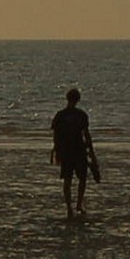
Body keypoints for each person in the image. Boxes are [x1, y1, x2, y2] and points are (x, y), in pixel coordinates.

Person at [50, 88, 95, 219]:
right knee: (82, 179)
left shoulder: (60, 115)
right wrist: (91, 152)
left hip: (66, 150)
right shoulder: (81, 115)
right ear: (78, 99)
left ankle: (70, 207)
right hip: (79, 150)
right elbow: (86, 135)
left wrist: (56, 150)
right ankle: (78, 205)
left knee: (67, 180)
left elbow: (55, 135)